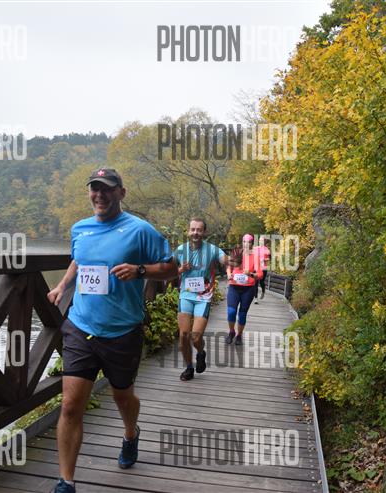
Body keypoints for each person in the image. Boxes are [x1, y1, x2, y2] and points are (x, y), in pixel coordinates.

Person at [46, 168, 177, 493]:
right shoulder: (80, 228)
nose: (100, 195)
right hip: (81, 326)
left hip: (123, 331)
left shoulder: (140, 230)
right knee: (70, 406)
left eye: (107, 189)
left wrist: (140, 270)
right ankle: (66, 481)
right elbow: (79, 260)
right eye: (95, 189)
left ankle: (131, 434)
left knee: (122, 396)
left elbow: (171, 268)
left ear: (121, 192)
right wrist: (63, 285)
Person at [174, 217, 227, 381]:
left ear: (204, 232)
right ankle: (189, 367)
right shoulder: (180, 250)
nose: (195, 233)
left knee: (195, 337)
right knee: (183, 335)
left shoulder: (212, 250)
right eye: (193, 229)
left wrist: (231, 262)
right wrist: (180, 269)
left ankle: (201, 352)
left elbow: (224, 259)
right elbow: (168, 270)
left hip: (203, 297)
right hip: (186, 295)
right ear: (188, 231)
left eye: (199, 230)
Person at [225, 234, 263, 345]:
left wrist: (250, 274)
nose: (246, 244)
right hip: (234, 287)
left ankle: (239, 335)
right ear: (242, 242)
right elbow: (229, 267)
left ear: (252, 244)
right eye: (244, 241)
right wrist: (229, 274)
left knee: (242, 314)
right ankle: (231, 332)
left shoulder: (255, 256)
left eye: (249, 242)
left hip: (248, 289)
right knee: (231, 312)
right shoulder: (236, 253)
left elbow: (260, 274)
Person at [253, 235, 271, 303]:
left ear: (264, 241)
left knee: (261, 282)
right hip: (256, 268)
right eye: (260, 240)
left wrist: (263, 259)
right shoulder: (255, 248)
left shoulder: (267, 250)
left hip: (263, 268)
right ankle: (256, 298)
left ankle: (263, 291)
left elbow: (269, 258)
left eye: (262, 240)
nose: (261, 241)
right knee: (255, 283)